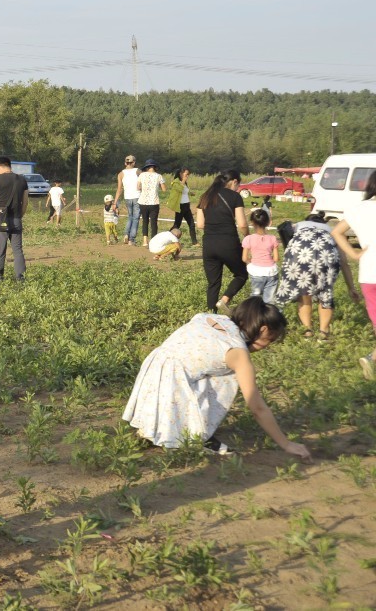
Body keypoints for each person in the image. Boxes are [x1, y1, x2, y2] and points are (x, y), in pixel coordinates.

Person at [122, 298, 310, 460]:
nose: (267, 346)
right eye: (270, 340)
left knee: (214, 369)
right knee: (229, 376)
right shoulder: (238, 353)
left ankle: (154, 427)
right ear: (263, 329)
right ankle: (197, 436)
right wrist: (286, 444)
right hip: (173, 377)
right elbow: (257, 407)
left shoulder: (212, 318)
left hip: (155, 366)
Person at [277, 211, 359, 341]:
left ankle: (308, 331)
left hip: (300, 256)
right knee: (325, 293)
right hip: (325, 257)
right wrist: (351, 287)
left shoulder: (297, 226)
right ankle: (323, 332)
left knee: (304, 295)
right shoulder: (332, 231)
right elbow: (344, 262)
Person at [332, 171, 376, 379]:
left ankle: (372, 358)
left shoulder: (358, 209)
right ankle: (372, 358)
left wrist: (354, 254)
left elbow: (336, 232)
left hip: (368, 273)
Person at [196, 170, 249, 313]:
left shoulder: (205, 197)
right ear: (234, 182)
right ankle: (224, 300)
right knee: (241, 274)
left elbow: (200, 224)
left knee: (213, 283)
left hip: (209, 244)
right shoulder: (235, 197)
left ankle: (210, 315)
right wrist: (248, 236)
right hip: (228, 243)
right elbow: (242, 224)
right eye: (238, 185)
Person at [0, 157, 27, 283]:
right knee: (18, 250)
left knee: (0, 249)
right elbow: (25, 202)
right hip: (16, 218)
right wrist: (20, 216)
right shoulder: (22, 179)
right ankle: (20, 278)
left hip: (1, 219)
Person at [243, 209, 280, 303]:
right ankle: (269, 315)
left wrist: (250, 262)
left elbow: (244, 258)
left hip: (256, 271)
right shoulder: (273, 238)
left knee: (255, 296)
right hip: (271, 271)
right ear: (268, 222)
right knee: (270, 299)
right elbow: (276, 258)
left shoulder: (248, 239)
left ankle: (254, 314)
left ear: (252, 222)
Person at [112, 155, 143, 246]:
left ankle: (126, 234)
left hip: (127, 197)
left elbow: (119, 189)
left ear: (125, 163)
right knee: (136, 218)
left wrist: (115, 202)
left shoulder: (121, 174)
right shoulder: (138, 171)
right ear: (133, 162)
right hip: (137, 197)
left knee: (130, 216)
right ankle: (131, 239)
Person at [137, 160, 166, 241]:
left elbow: (138, 187)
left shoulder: (142, 175)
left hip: (143, 201)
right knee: (154, 222)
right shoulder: (159, 176)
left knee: (145, 221)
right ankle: (153, 240)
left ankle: (145, 241)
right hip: (154, 202)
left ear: (146, 167)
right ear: (155, 167)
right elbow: (164, 189)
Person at [168, 167, 197, 245]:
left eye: (188, 175)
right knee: (177, 225)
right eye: (186, 174)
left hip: (187, 206)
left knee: (191, 224)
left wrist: (191, 193)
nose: (187, 176)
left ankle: (194, 242)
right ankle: (168, 237)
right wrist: (184, 180)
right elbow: (180, 189)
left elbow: (185, 190)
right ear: (181, 174)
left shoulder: (185, 183)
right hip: (180, 206)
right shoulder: (175, 182)